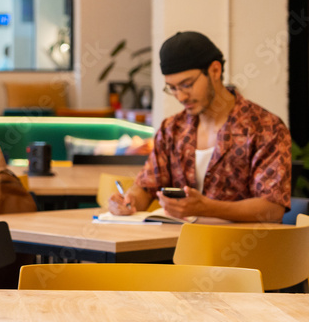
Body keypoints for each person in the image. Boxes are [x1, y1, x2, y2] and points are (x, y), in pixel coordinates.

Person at [109, 31, 291, 223]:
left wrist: (207, 208)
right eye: (172, 88)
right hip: (177, 248)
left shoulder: (265, 128)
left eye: (187, 85)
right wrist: (129, 201)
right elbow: (146, 186)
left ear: (214, 70)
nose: (181, 96)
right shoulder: (172, 129)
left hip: (244, 249)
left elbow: (272, 208)